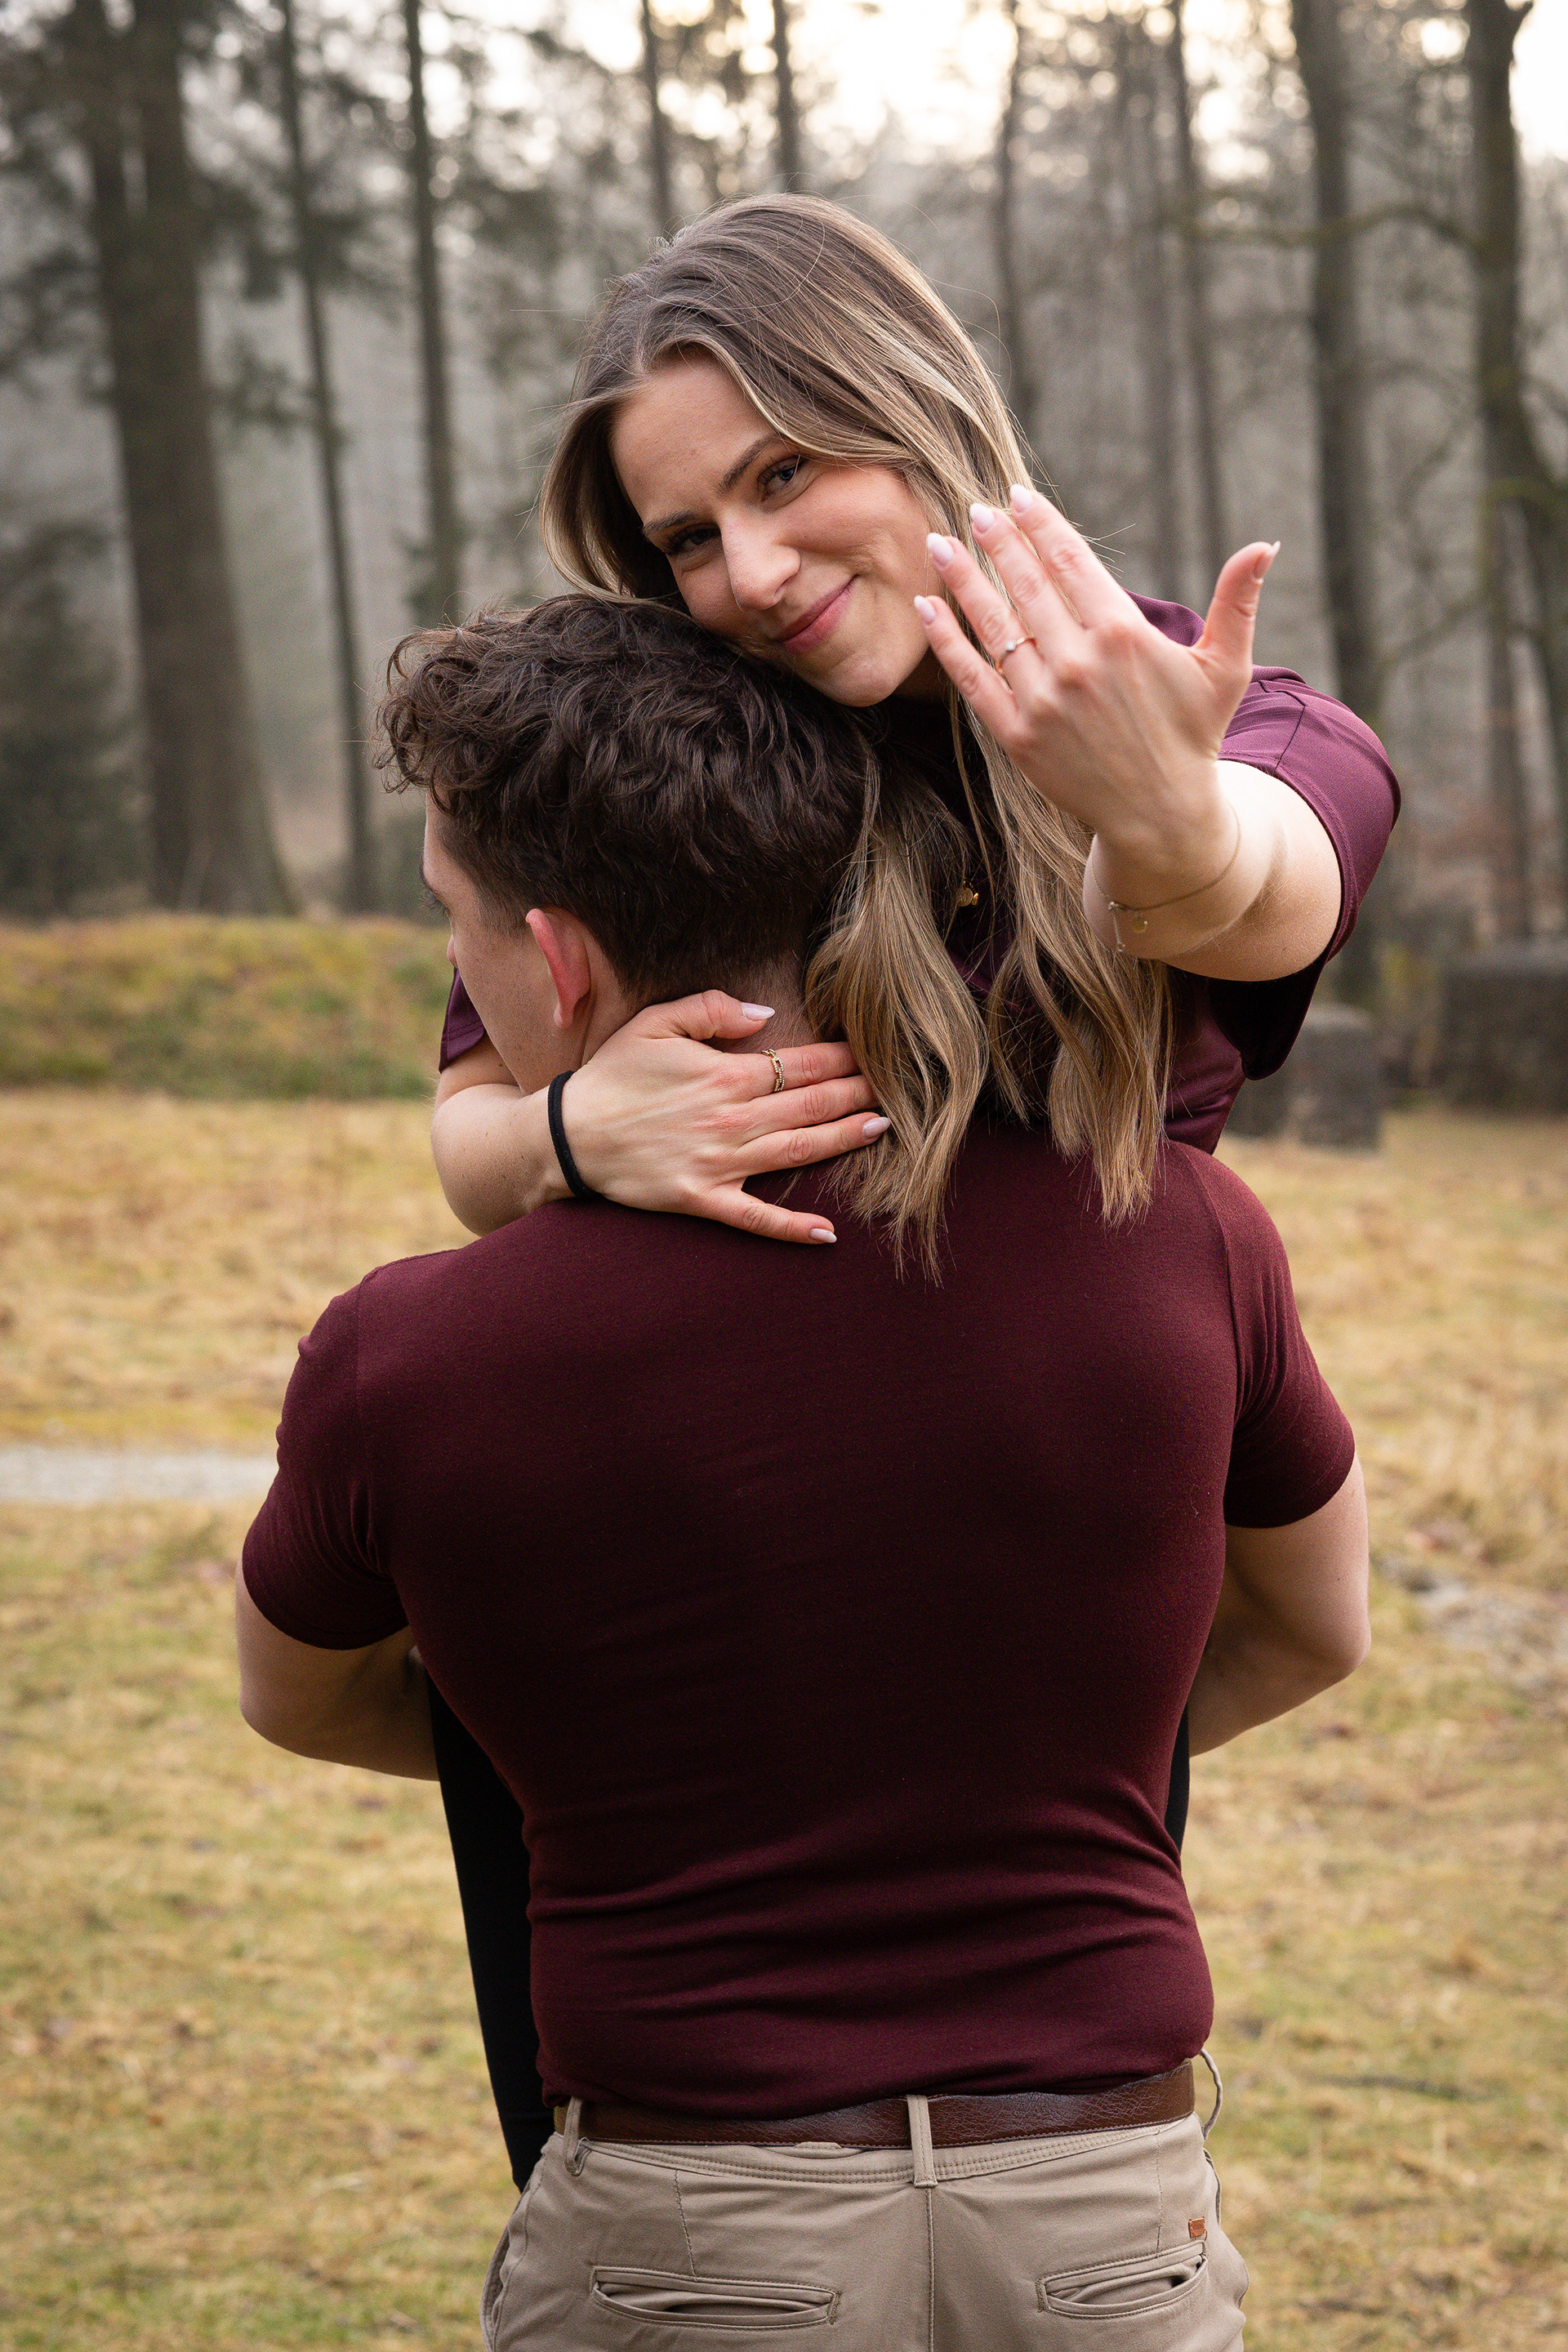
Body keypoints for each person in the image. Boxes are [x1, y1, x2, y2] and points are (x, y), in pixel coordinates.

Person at [238, 593, 1372, 2352]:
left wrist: (630, 1778)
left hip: (689, 2242)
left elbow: (301, 1695)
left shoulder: (405, 1351)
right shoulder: (1185, 1232)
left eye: (454, 927)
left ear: (557, 962)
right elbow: (1311, 1629)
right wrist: (1003, 1761)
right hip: (1106, 2232)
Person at [416, 194, 1401, 2183]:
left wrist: (1166, 814)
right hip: (665, 1650)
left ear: (915, 408)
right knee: (642, 2215)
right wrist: (577, 1134)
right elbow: (468, 1124)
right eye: (689, 536)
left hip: (1022, 1667)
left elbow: (1263, 884)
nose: (751, 570)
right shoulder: (675, 755)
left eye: (786, 475)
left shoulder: (1207, 717)